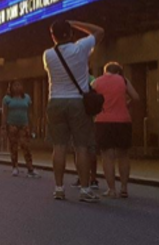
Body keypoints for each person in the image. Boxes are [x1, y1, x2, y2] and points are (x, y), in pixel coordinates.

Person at [43, 19, 104, 203]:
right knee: (81, 147)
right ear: (70, 33)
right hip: (78, 102)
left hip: (55, 101)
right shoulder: (80, 48)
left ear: (52, 36)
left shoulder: (48, 54)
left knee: (59, 146)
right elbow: (99, 30)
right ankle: (85, 190)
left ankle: (59, 188)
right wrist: (74, 23)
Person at [93, 62, 140, 198]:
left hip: (103, 121)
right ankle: (124, 188)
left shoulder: (97, 82)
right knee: (123, 155)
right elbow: (136, 97)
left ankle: (111, 189)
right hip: (123, 120)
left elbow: (90, 98)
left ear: (105, 71)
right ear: (119, 71)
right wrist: (126, 104)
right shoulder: (123, 80)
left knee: (107, 156)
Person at [2, 80, 38, 178]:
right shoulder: (7, 99)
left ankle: (30, 168)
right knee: (13, 147)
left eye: (19, 85)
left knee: (25, 146)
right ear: (11, 87)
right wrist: (4, 127)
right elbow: (5, 113)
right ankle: (15, 167)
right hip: (12, 125)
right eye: (15, 85)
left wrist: (33, 126)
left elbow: (30, 112)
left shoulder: (26, 98)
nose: (17, 87)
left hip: (24, 125)